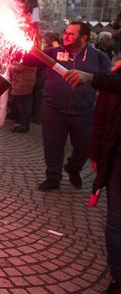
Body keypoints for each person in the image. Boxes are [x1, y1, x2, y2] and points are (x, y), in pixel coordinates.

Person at [24, 22, 111, 190]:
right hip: (53, 109)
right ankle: (53, 177)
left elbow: (108, 81)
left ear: (83, 37)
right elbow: (28, 59)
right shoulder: (53, 52)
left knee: (84, 146)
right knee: (53, 145)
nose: (66, 36)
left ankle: (73, 167)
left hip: (84, 111)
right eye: (65, 32)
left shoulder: (99, 57)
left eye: (71, 34)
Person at [64, 64, 121, 294]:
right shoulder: (116, 73)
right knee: (116, 221)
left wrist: (94, 77)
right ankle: (118, 278)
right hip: (117, 156)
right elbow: (103, 114)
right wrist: (96, 152)